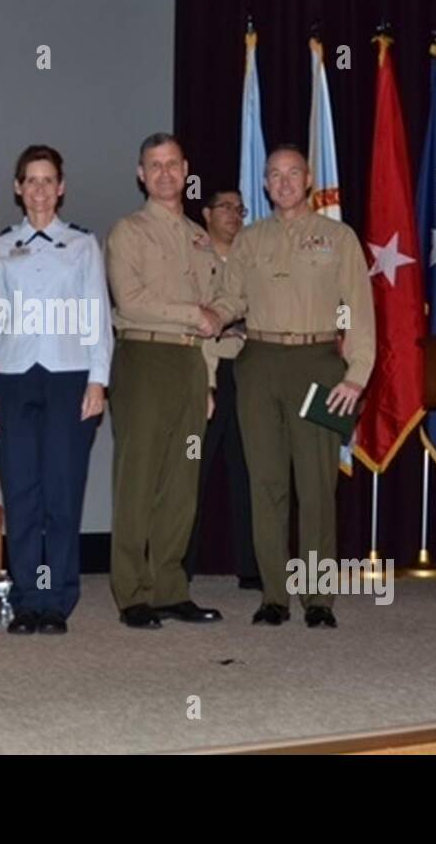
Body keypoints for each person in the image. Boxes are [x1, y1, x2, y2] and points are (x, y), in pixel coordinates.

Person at [210, 145, 374, 630]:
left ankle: (319, 597)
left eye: (292, 173)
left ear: (308, 180)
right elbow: (229, 299)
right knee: (266, 484)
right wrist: (208, 317)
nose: (282, 182)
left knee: (317, 485)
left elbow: (360, 312)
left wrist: (356, 377)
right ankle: (274, 594)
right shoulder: (249, 239)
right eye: (273, 175)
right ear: (264, 185)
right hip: (258, 363)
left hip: (319, 363)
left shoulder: (338, 238)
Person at [0, 145, 112, 635]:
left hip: (67, 375)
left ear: (61, 188)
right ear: (17, 188)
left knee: (61, 490)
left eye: (47, 180)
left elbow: (97, 315)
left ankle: (56, 600)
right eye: (29, 180)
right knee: (22, 491)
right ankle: (27, 599)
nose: (38, 189)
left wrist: (98, 379)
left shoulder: (82, 245)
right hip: (13, 376)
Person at [105, 132, 224, 630]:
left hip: (190, 366)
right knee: (139, 480)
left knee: (182, 483)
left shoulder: (200, 236)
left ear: (185, 169)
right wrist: (192, 315)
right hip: (145, 359)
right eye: (154, 166)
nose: (164, 173)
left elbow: (215, 318)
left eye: (172, 164)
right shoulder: (128, 232)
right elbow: (131, 302)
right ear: (141, 174)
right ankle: (132, 591)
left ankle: (171, 587)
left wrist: (211, 380)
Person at [183, 190, 260, 591]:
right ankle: (179, 565)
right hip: (203, 369)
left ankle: (252, 565)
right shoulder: (193, 255)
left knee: (248, 467)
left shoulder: (251, 257)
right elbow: (195, 313)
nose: (234, 215)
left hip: (246, 370)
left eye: (240, 208)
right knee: (192, 466)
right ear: (207, 212)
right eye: (226, 207)